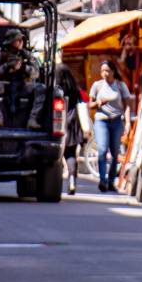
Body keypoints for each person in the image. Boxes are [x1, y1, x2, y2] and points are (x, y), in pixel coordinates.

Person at [0, 30, 46, 130]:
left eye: (21, 40)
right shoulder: (0, 55)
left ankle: (33, 120)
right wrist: (6, 66)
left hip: (23, 84)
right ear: (10, 42)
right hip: (5, 84)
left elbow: (36, 73)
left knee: (41, 88)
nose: (21, 42)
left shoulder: (26, 55)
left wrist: (24, 68)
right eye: (17, 40)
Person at [89, 61, 132, 192]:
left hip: (117, 121)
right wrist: (98, 102)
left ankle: (111, 181)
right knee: (102, 150)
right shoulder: (97, 85)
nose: (105, 73)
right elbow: (89, 105)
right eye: (102, 71)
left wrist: (128, 122)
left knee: (115, 153)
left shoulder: (120, 85)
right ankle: (103, 180)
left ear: (113, 71)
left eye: (107, 70)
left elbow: (127, 105)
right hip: (101, 120)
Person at [55, 65, 86, 196]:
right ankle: (72, 180)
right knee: (70, 154)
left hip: (59, 122)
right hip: (74, 122)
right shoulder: (75, 89)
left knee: (57, 154)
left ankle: (56, 180)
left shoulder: (56, 90)